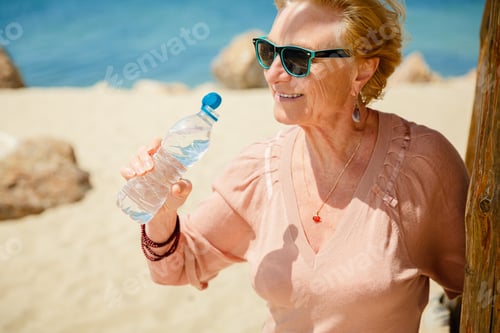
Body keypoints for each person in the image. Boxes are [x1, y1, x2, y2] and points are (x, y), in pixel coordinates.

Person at [120, 0, 469, 331]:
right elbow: (177, 266)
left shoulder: (423, 165)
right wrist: (161, 213)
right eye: (269, 52)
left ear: (362, 69)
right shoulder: (258, 171)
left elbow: (477, 291)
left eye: (297, 59)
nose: (273, 75)